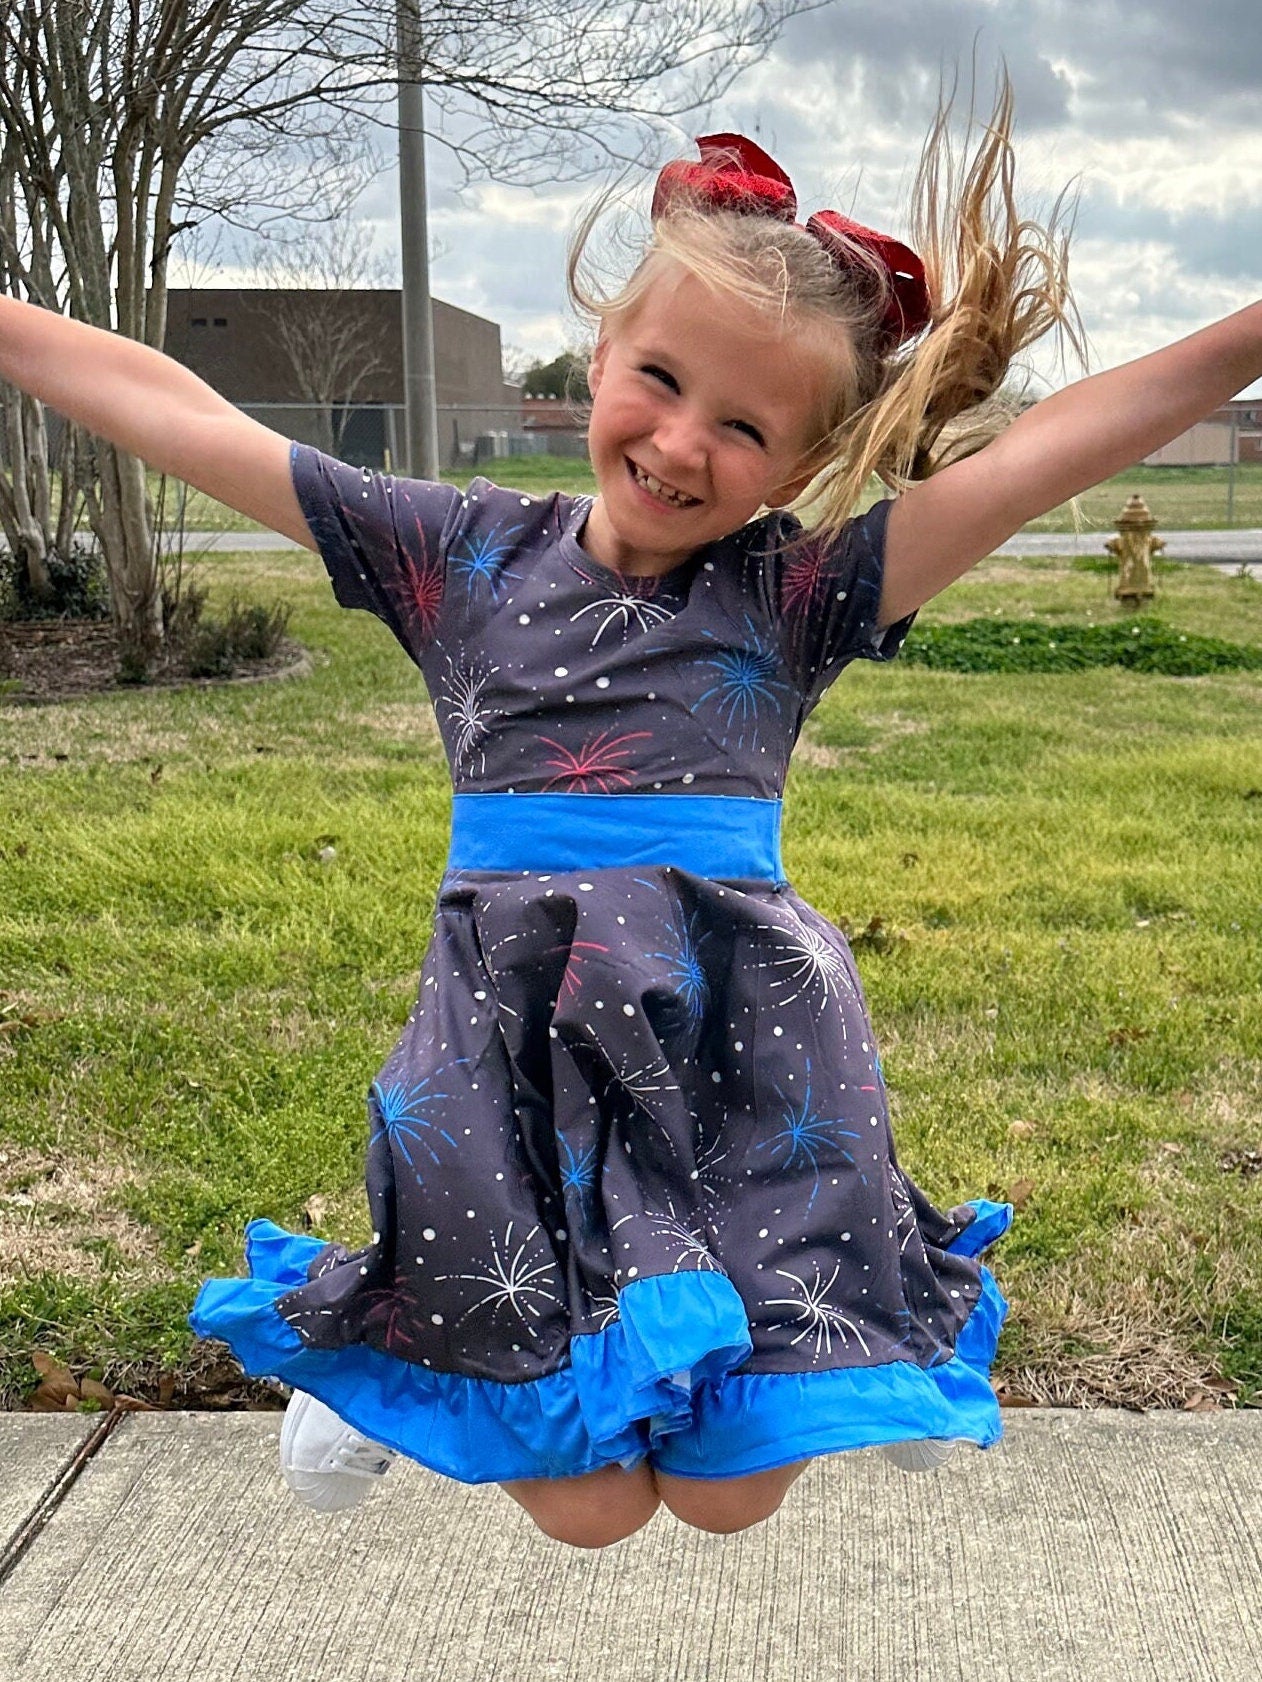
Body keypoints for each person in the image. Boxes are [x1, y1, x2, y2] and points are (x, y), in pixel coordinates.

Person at [4, 90, 1258, 1553]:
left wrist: (1244, 337)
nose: (677, 442)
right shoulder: (451, 555)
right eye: (655, 378)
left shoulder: (801, 591)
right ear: (599, 350)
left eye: (742, 425)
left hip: (743, 1037)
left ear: (799, 467)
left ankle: (857, 1345)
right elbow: (185, 414)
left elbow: (1053, 453)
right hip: (506, 1045)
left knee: (726, 1498)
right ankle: (382, 1360)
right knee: (591, 1511)